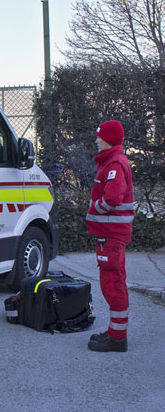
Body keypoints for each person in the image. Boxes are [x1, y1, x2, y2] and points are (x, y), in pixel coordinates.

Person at [86, 120, 134, 352]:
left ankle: (117, 338)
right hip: (111, 236)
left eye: (99, 137)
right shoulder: (113, 162)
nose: (96, 140)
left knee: (112, 284)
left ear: (108, 139)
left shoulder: (114, 163)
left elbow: (113, 198)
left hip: (112, 236)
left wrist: (95, 207)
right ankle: (116, 332)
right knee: (113, 282)